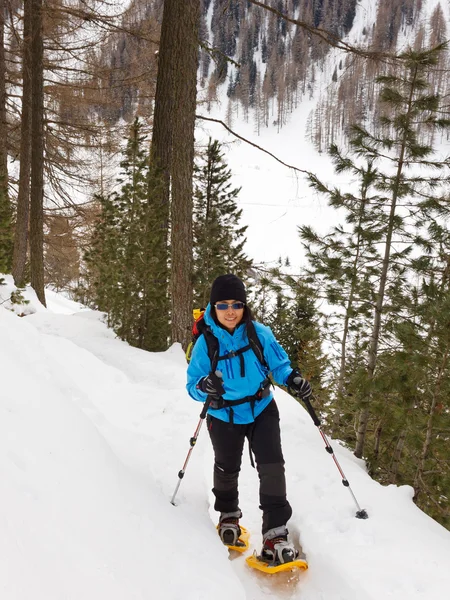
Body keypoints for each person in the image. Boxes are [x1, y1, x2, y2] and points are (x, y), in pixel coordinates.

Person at [186, 274, 312, 564]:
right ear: (213, 307)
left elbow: (279, 365)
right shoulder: (207, 343)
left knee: (272, 467)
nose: (230, 311)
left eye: (236, 304)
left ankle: (275, 531)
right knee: (227, 467)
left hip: (261, 408)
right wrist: (205, 385)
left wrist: (292, 379)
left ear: (244, 306)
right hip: (223, 412)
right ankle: (228, 516)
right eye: (223, 305)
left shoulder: (259, 333)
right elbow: (192, 384)